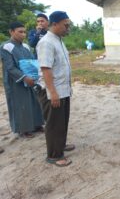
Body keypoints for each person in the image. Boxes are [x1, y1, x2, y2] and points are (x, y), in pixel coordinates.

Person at [36, 11, 74, 167]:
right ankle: (54, 155)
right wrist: (52, 93)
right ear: (55, 24)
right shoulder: (46, 42)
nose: (68, 28)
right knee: (53, 124)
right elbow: (46, 69)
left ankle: (61, 146)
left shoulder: (59, 40)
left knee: (62, 121)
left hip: (63, 90)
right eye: (66, 25)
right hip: (53, 91)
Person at [0, 22, 44, 138]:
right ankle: (23, 130)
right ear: (11, 32)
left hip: (31, 79)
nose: (23, 35)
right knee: (20, 104)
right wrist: (24, 77)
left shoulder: (26, 46)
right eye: (20, 32)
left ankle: (37, 125)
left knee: (34, 101)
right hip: (15, 81)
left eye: (24, 32)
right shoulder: (6, 47)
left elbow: (33, 62)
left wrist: (35, 75)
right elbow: (10, 67)